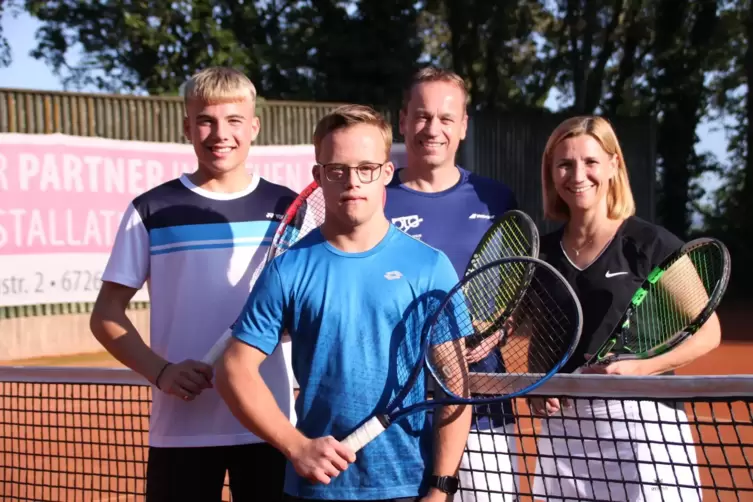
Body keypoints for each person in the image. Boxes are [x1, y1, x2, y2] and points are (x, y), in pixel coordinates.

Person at [215, 104, 473, 502]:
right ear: (318, 177)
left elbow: (455, 388)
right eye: (337, 170)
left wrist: (440, 490)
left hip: (408, 488)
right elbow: (234, 369)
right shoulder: (288, 270)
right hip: (314, 490)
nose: (352, 181)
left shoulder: (430, 267)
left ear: (386, 172)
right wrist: (296, 446)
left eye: (366, 168)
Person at [90, 67, 296, 501]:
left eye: (234, 120)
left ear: (254, 126)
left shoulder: (287, 208)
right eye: (206, 120)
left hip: (269, 426)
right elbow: (105, 316)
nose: (220, 133)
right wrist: (161, 372)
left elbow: (306, 309)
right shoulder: (151, 209)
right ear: (187, 127)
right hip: (180, 431)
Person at [530, 115, 721, 501]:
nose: (577, 174)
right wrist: (539, 385)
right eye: (564, 164)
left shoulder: (650, 243)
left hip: (643, 425)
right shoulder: (541, 255)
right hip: (567, 438)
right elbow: (544, 340)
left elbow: (709, 332)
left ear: (614, 165)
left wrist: (640, 369)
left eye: (590, 161)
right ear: (551, 173)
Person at [383, 66, 521, 501]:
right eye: (422, 116)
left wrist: (501, 325)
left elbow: (513, 292)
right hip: (394, 413)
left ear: (463, 125)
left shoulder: (495, 199)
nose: (433, 129)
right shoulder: (374, 196)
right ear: (403, 121)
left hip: (484, 412)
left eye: (446, 118)